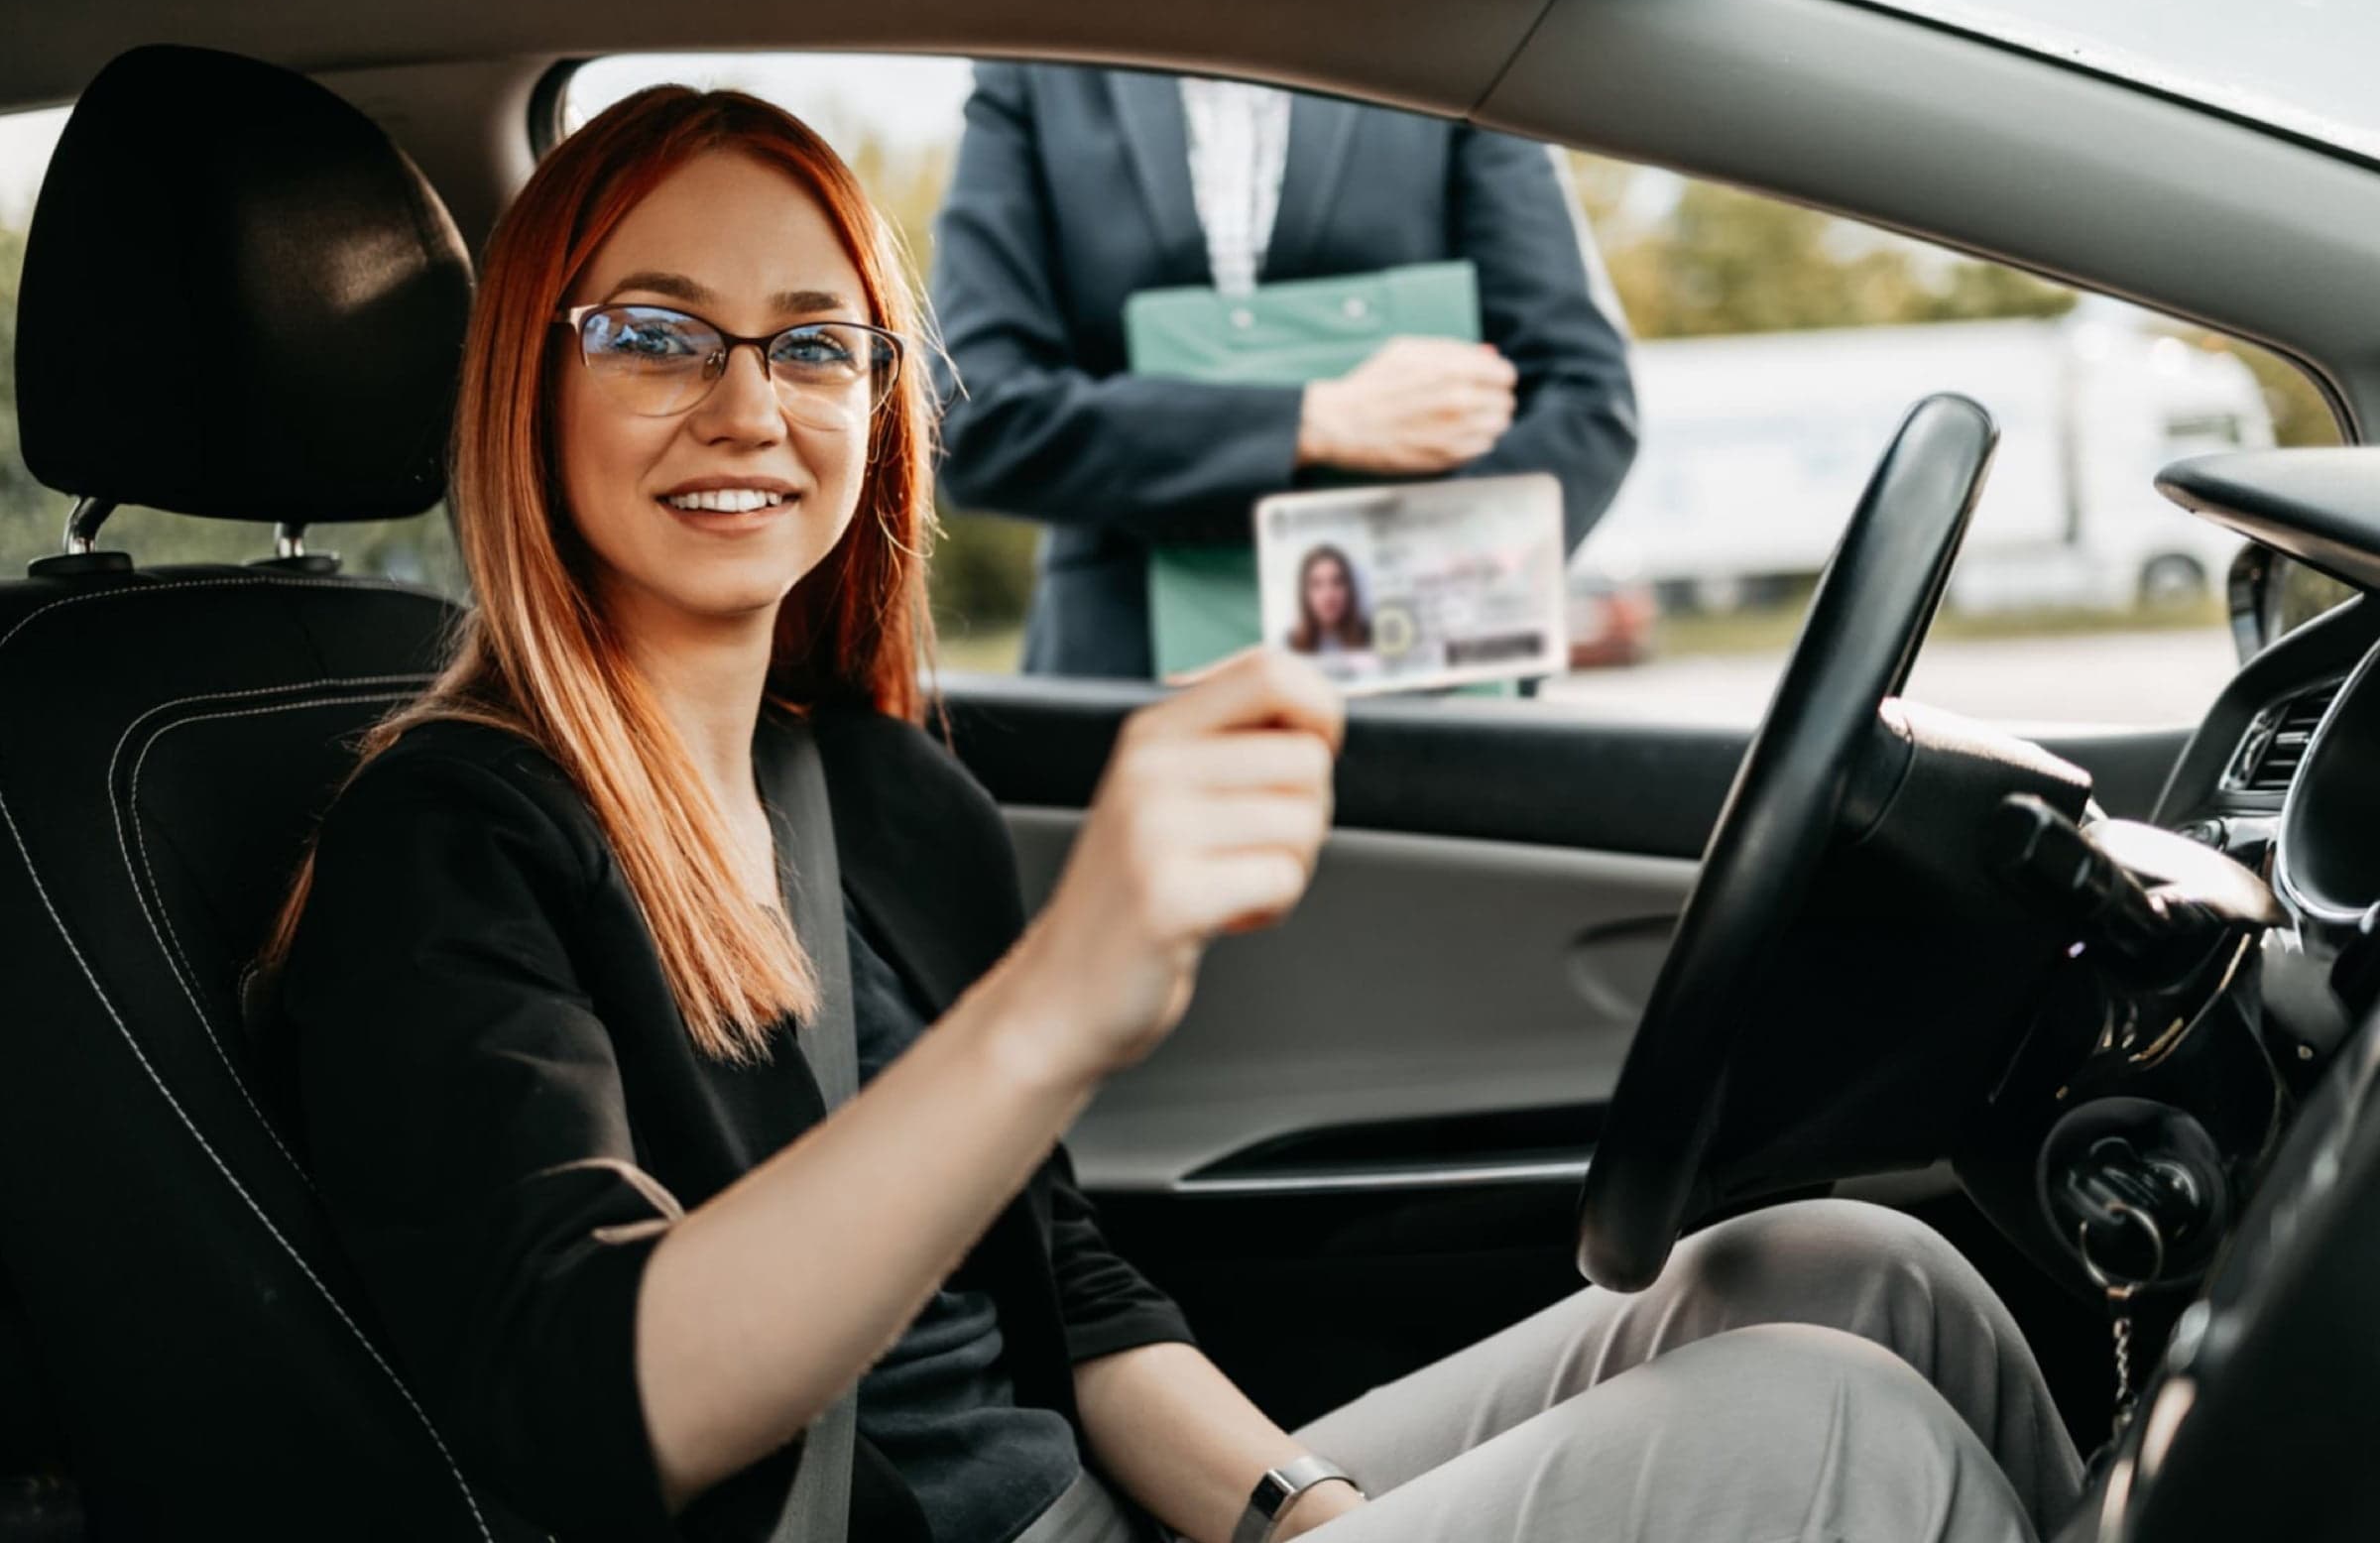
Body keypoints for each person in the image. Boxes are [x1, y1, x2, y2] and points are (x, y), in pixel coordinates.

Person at [256, 87, 2079, 1543]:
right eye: (659, 335)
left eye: (814, 346)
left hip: (1102, 1506)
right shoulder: (446, 839)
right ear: (531, 380)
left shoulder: (879, 790)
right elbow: (583, 1407)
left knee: (1848, 1272)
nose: (748, 405)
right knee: (1824, 1422)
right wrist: (1058, 1003)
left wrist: (1306, 1514)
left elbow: (1069, 1294)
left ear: (879, 405)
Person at [930, 63, 1639, 679]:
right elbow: (973, 416)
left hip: (1422, 672)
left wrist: (1385, 607)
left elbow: (1584, 395)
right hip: (1123, 675)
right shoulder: (1040, 67)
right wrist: (1315, 421)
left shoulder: (1449, 54)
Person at [1285, 544, 1370, 656]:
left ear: (1349, 589)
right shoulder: (1291, 646)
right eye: (1317, 584)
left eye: (1337, 582)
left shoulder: (1371, 639)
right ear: (1305, 593)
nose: (1328, 595)